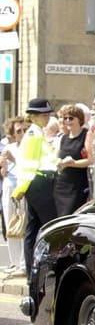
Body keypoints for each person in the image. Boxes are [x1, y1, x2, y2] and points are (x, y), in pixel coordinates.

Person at [13, 98, 60, 280]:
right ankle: (47, 268)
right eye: (43, 115)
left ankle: (33, 270)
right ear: (33, 116)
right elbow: (29, 166)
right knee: (50, 225)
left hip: (36, 184)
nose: (47, 117)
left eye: (48, 114)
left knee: (33, 229)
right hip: (38, 184)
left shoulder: (36, 133)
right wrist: (22, 189)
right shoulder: (34, 136)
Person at [0, 116, 29, 276]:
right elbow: (3, 172)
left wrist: (14, 159)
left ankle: (23, 264)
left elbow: (26, 165)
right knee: (10, 222)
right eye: (19, 131)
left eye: (24, 130)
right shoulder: (8, 147)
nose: (22, 133)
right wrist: (3, 165)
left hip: (22, 187)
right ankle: (14, 261)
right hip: (9, 186)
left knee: (23, 224)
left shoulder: (26, 148)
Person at [53, 105, 90, 217]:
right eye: (65, 118)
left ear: (79, 119)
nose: (68, 121)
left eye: (71, 118)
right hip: (61, 185)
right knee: (60, 219)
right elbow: (55, 157)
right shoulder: (62, 138)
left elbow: (91, 160)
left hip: (77, 186)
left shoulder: (86, 135)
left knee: (71, 217)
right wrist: (59, 161)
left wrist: (72, 163)